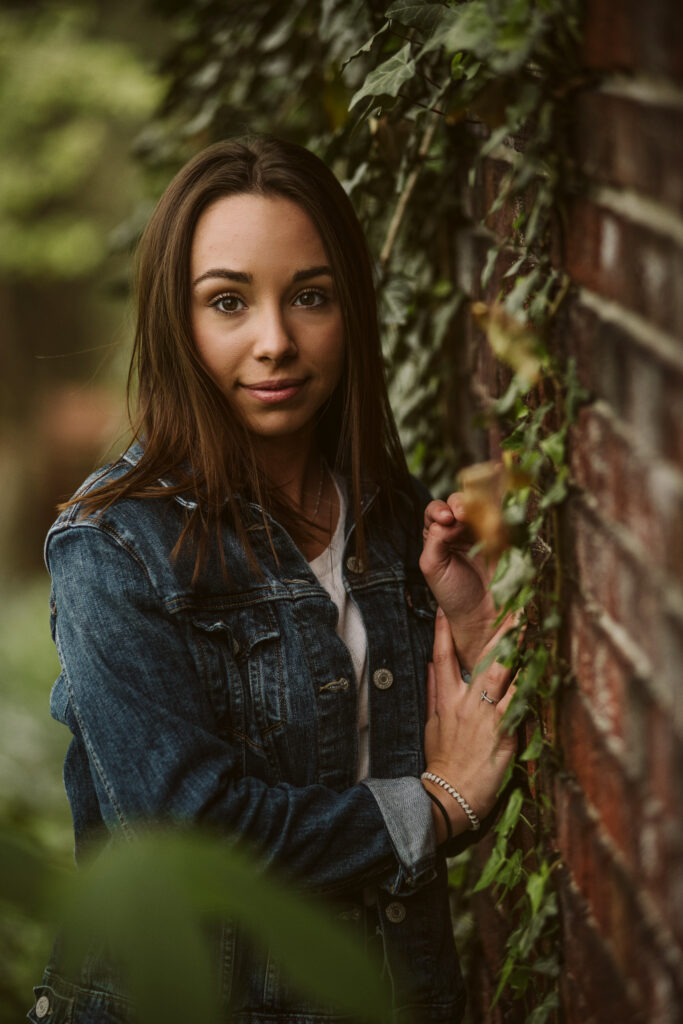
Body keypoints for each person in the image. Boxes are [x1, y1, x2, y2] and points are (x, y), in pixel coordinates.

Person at [29, 136, 518, 1024]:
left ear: (350, 311)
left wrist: (473, 629)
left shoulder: (394, 521)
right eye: (228, 302)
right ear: (176, 326)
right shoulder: (113, 547)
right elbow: (191, 843)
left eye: (310, 297)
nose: (275, 342)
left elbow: (476, 769)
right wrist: (431, 811)